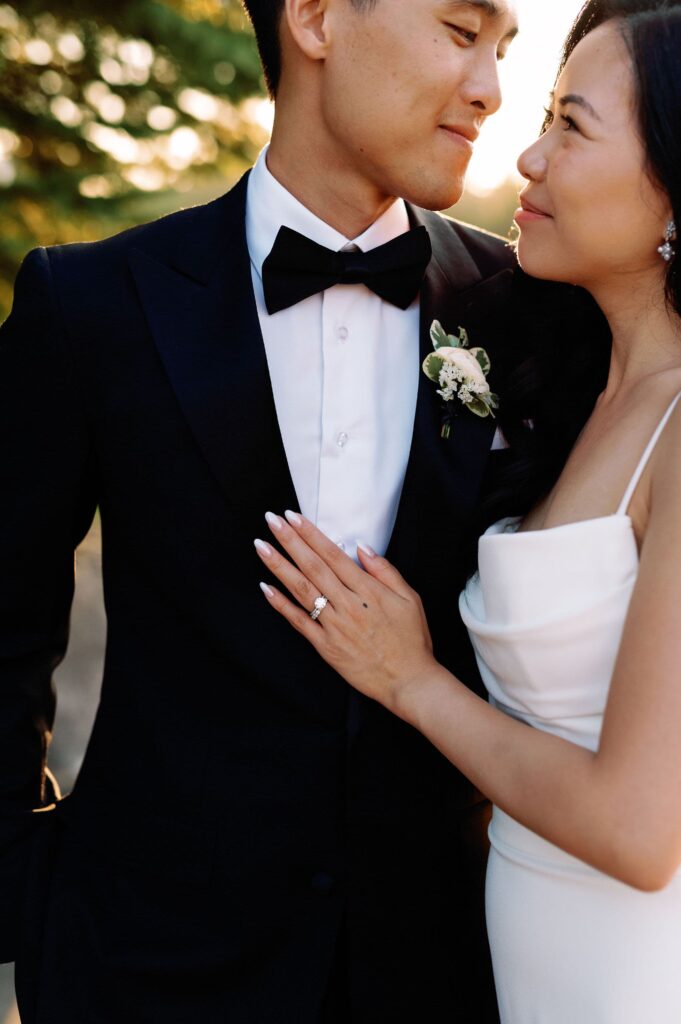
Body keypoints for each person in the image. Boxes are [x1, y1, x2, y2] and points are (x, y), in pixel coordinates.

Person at [0, 0, 522, 1020]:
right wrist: (27, 895)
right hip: (142, 970)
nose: (491, 88)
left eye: (503, 48)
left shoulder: (525, 308)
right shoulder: (91, 302)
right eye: (462, 32)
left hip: (443, 973)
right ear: (318, 18)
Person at [256, 0, 681, 1020]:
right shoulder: (569, 381)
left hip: (627, 971)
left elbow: (639, 827)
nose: (525, 159)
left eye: (571, 126)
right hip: (511, 961)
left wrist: (412, 680)